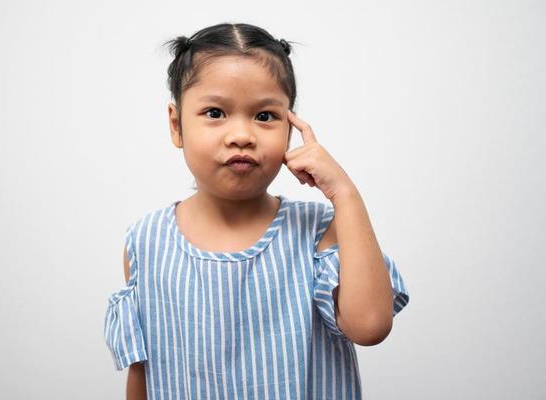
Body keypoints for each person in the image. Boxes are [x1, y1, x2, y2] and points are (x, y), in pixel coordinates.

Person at [103, 22, 410, 400]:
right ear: (176, 124)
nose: (242, 135)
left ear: (290, 126)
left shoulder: (318, 232)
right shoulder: (146, 243)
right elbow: (142, 373)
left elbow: (370, 326)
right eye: (215, 112)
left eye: (264, 116)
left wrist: (344, 194)